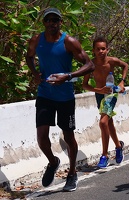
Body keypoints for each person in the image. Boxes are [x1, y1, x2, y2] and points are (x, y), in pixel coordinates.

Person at [25, 7, 94, 191]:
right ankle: (53, 161)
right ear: (44, 23)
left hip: (65, 97)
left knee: (68, 136)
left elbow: (90, 65)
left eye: (55, 20)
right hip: (44, 94)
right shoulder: (36, 40)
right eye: (48, 20)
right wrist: (35, 74)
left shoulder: (69, 42)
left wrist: (68, 76)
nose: (51, 23)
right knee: (41, 138)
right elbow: (29, 56)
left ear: (60, 22)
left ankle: (72, 173)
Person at [82, 36, 128, 168]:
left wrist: (122, 81)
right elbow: (84, 85)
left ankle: (104, 155)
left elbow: (125, 65)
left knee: (103, 122)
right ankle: (118, 147)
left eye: (103, 48)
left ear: (107, 49)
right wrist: (98, 90)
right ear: (93, 51)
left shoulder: (112, 61)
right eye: (98, 49)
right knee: (109, 122)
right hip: (99, 95)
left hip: (111, 94)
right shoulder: (91, 65)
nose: (101, 51)